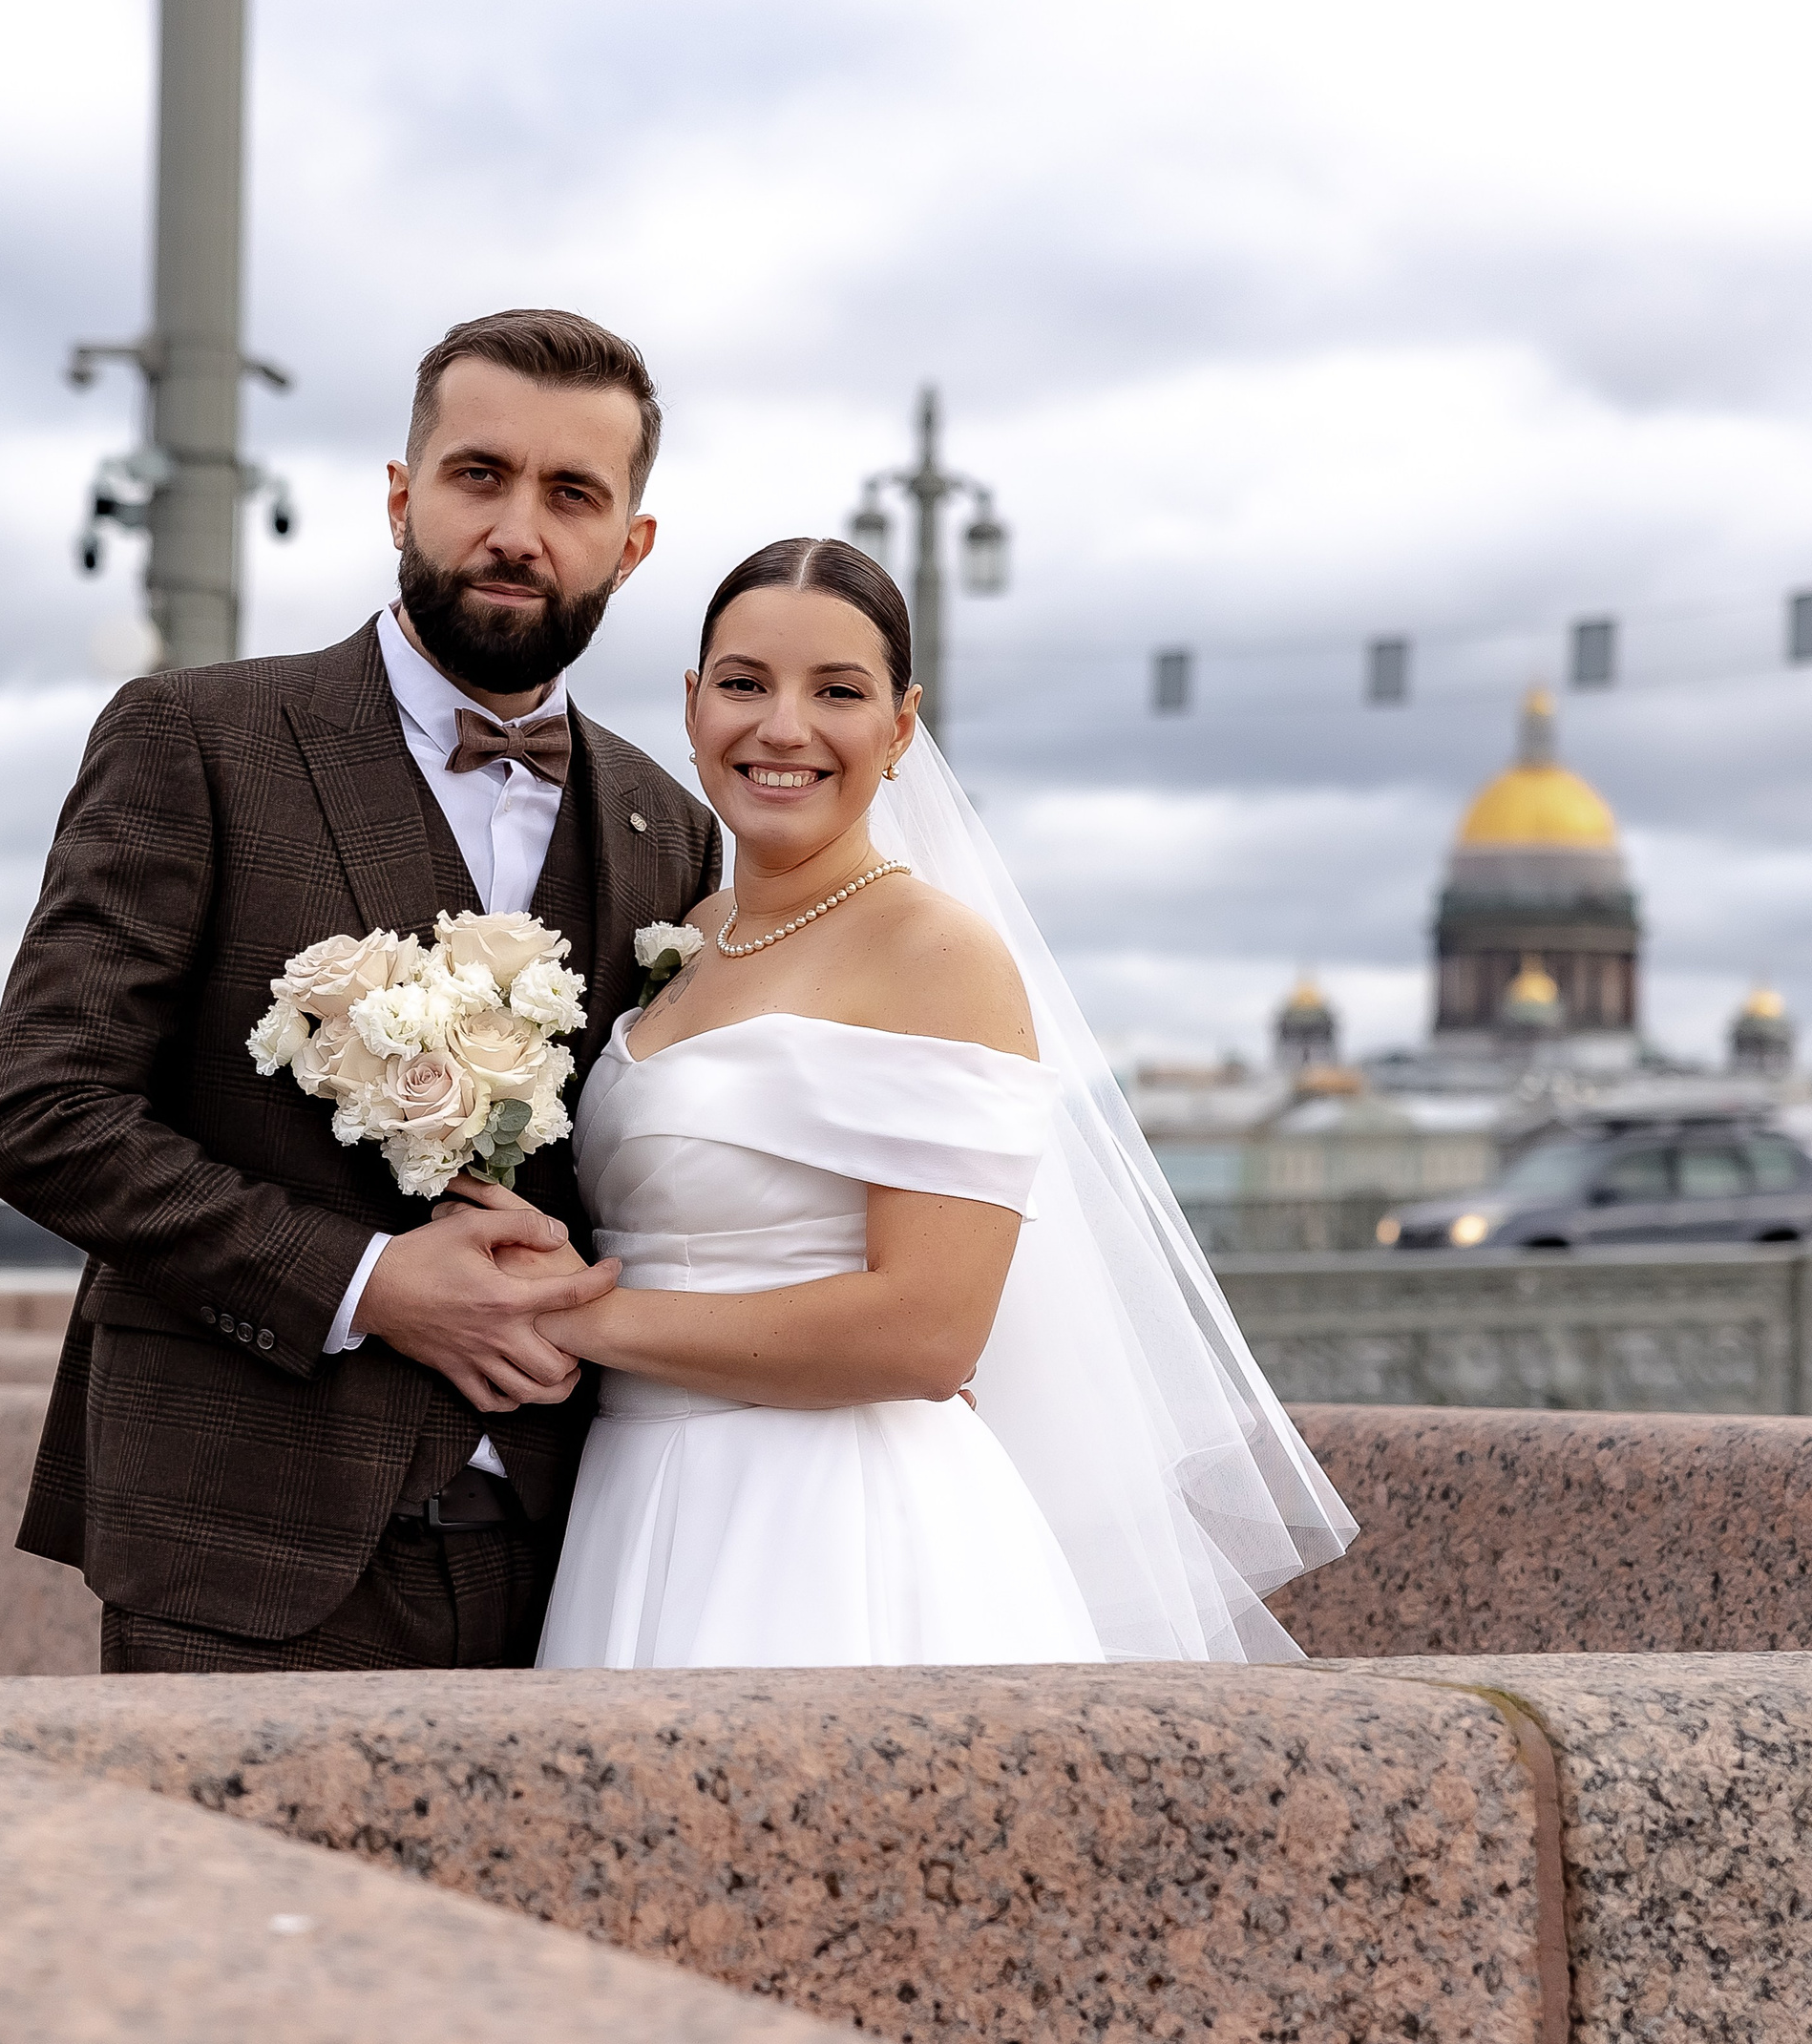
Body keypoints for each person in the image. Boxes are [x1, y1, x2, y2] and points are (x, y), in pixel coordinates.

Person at [450, 537, 1357, 1669]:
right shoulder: (688, 938)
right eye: (744, 684)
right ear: (690, 707)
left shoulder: (938, 952)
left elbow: (928, 1333)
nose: (783, 728)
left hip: (831, 1521)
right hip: (629, 1498)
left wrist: (575, 1320)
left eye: (837, 692)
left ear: (901, 725)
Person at [0, 309, 720, 1673]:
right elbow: (46, 1111)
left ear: (632, 541)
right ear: (401, 495)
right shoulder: (194, 739)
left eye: (573, 494)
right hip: (239, 1542)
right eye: (479, 474)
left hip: (583, 1565)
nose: (518, 529)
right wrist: (370, 1280)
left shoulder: (670, 826)